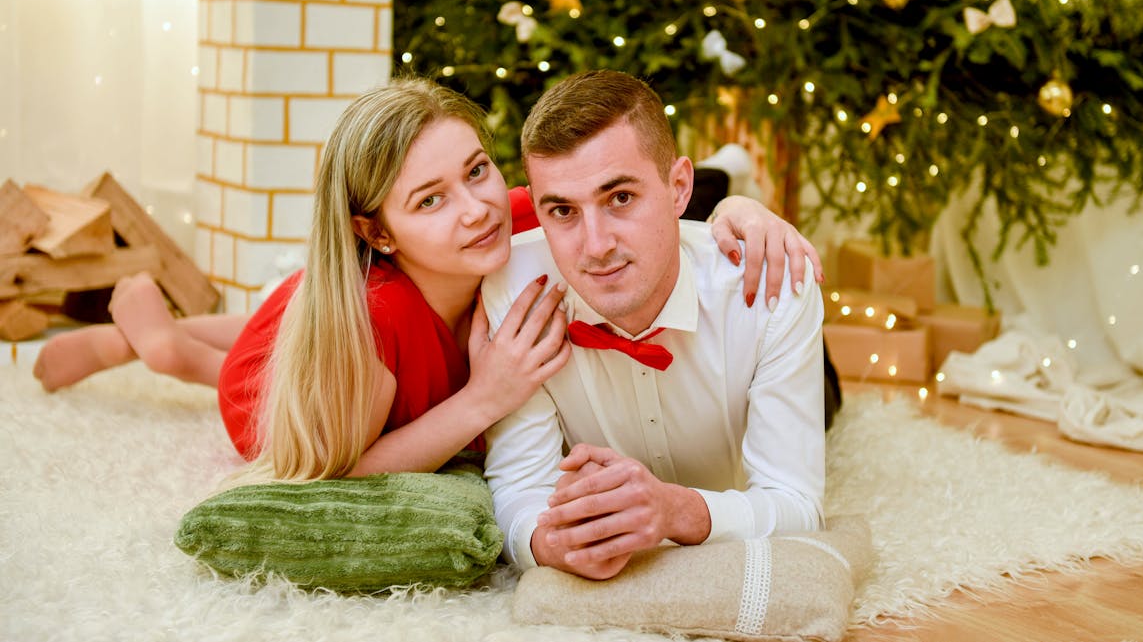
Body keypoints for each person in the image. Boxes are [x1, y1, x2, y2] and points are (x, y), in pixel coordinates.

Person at [33, 77, 821, 483]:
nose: (477, 208)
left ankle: (200, 327)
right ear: (377, 230)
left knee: (270, 314)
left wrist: (744, 211)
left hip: (346, 299)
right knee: (243, 362)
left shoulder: (507, 214)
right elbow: (339, 466)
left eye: (476, 169)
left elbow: (639, 202)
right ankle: (157, 344)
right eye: (431, 199)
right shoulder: (377, 331)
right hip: (311, 377)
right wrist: (485, 397)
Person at [481, 70, 828, 580]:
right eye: (562, 210)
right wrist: (550, 541)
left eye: (620, 197)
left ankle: (731, 183)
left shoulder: (776, 288)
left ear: (678, 187)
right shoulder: (512, 288)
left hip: (757, 316)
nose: (596, 246)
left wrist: (675, 510)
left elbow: (798, 503)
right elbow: (518, 486)